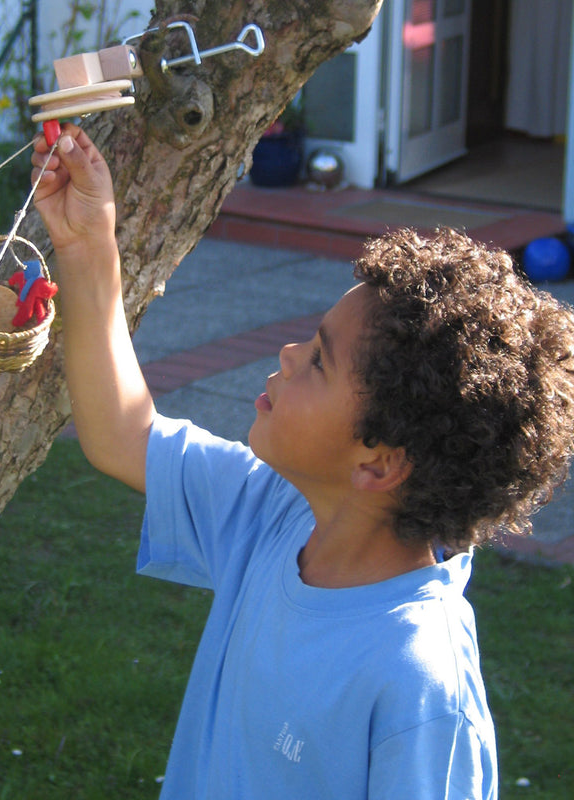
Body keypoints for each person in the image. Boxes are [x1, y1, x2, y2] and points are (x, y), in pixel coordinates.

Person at [30, 125, 574, 799]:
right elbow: (122, 434)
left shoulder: (421, 688)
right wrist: (86, 246)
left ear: (378, 464)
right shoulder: (272, 513)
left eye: (318, 360)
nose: (288, 354)